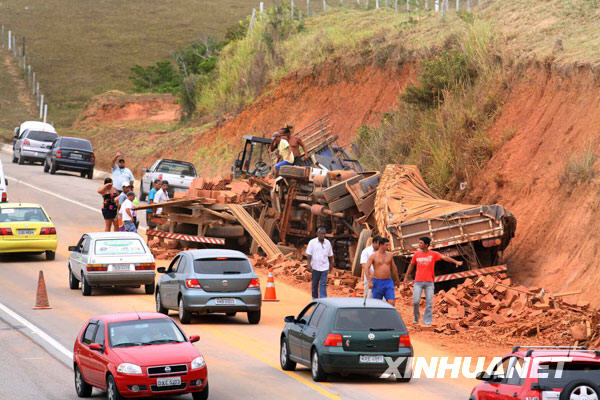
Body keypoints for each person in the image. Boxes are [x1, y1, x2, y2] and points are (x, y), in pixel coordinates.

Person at [404, 236, 463, 326]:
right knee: (415, 301)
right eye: (419, 243)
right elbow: (411, 266)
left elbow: (445, 258)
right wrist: (406, 277)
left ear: (426, 245)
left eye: (421, 243)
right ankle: (416, 318)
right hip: (418, 282)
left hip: (429, 282)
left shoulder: (433, 254)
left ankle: (427, 321)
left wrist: (456, 262)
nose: (419, 245)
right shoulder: (416, 254)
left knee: (429, 303)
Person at [365, 238, 400, 306]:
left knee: (391, 302)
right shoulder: (373, 256)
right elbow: (366, 268)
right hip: (377, 281)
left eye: (388, 245)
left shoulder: (390, 255)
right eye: (386, 245)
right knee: (376, 303)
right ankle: (377, 316)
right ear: (381, 245)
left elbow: (394, 268)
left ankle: (388, 316)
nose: (388, 247)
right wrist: (369, 281)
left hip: (388, 281)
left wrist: (397, 279)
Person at [305, 227, 334, 299]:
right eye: (321, 234)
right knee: (315, 284)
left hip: (324, 267)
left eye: (324, 234)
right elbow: (309, 254)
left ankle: (323, 299)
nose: (323, 235)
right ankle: (314, 299)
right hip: (315, 267)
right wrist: (308, 264)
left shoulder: (328, 243)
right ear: (317, 234)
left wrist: (331, 264)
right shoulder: (312, 242)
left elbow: (330, 255)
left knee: (323, 284)